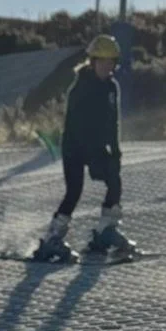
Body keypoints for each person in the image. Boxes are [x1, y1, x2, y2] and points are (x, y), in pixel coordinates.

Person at [32, 32, 137, 261]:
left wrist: (115, 150)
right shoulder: (81, 87)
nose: (107, 67)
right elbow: (76, 124)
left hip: (96, 146)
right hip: (75, 147)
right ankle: (53, 238)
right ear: (92, 61)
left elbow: (113, 121)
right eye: (102, 61)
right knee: (74, 191)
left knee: (114, 179)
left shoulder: (111, 87)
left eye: (111, 62)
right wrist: (94, 151)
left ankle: (105, 231)